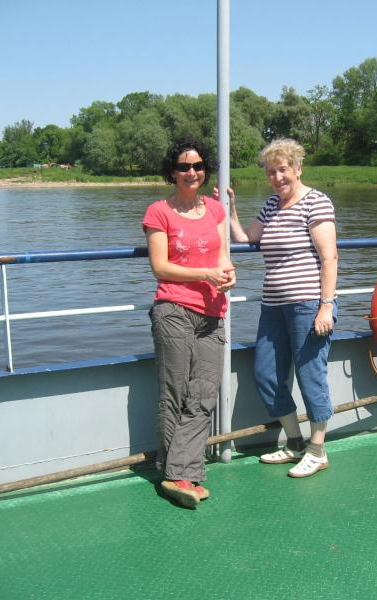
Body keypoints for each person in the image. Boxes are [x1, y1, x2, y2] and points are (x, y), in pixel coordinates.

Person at [228, 137, 338, 478]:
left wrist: (325, 307)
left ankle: (317, 450)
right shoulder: (271, 206)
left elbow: (329, 257)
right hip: (273, 306)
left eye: (283, 170)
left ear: (298, 168)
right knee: (266, 374)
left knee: (310, 376)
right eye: (271, 172)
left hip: (308, 305)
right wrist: (230, 209)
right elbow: (246, 238)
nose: (277, 177)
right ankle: (294, 442)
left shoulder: (316, 202)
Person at [142, 137, 236, 508]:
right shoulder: (158, 212)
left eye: (197, 166)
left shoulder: (215, 210)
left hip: (212, 313)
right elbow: (160, 267)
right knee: (176, 393)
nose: (191, 172)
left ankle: (177, 473)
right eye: (183, 167)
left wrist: (228, 274)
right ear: (172, 172)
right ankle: (180, 475)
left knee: (204, 394)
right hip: (174, 310)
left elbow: (223, 257)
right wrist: (205, 274)